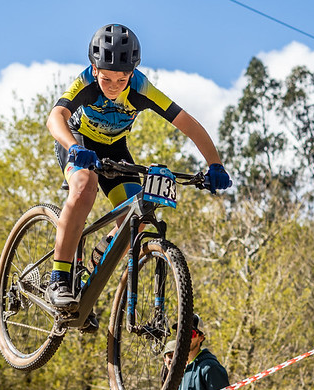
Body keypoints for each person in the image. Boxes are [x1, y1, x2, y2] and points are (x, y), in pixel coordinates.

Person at [45, 23, 232, 310]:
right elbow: (55, 117)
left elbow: (189, 125)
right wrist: (74, 148)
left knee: (138, 215)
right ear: (94, 69)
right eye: (106, 79)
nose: (113, 87)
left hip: (114, 148)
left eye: (121, 80)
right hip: (78, 140)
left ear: (131, 73)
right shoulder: (85, 83)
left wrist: (215, 164)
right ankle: (58, 278)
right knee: (84, 186)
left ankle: (90, 277)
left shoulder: (142, 88)